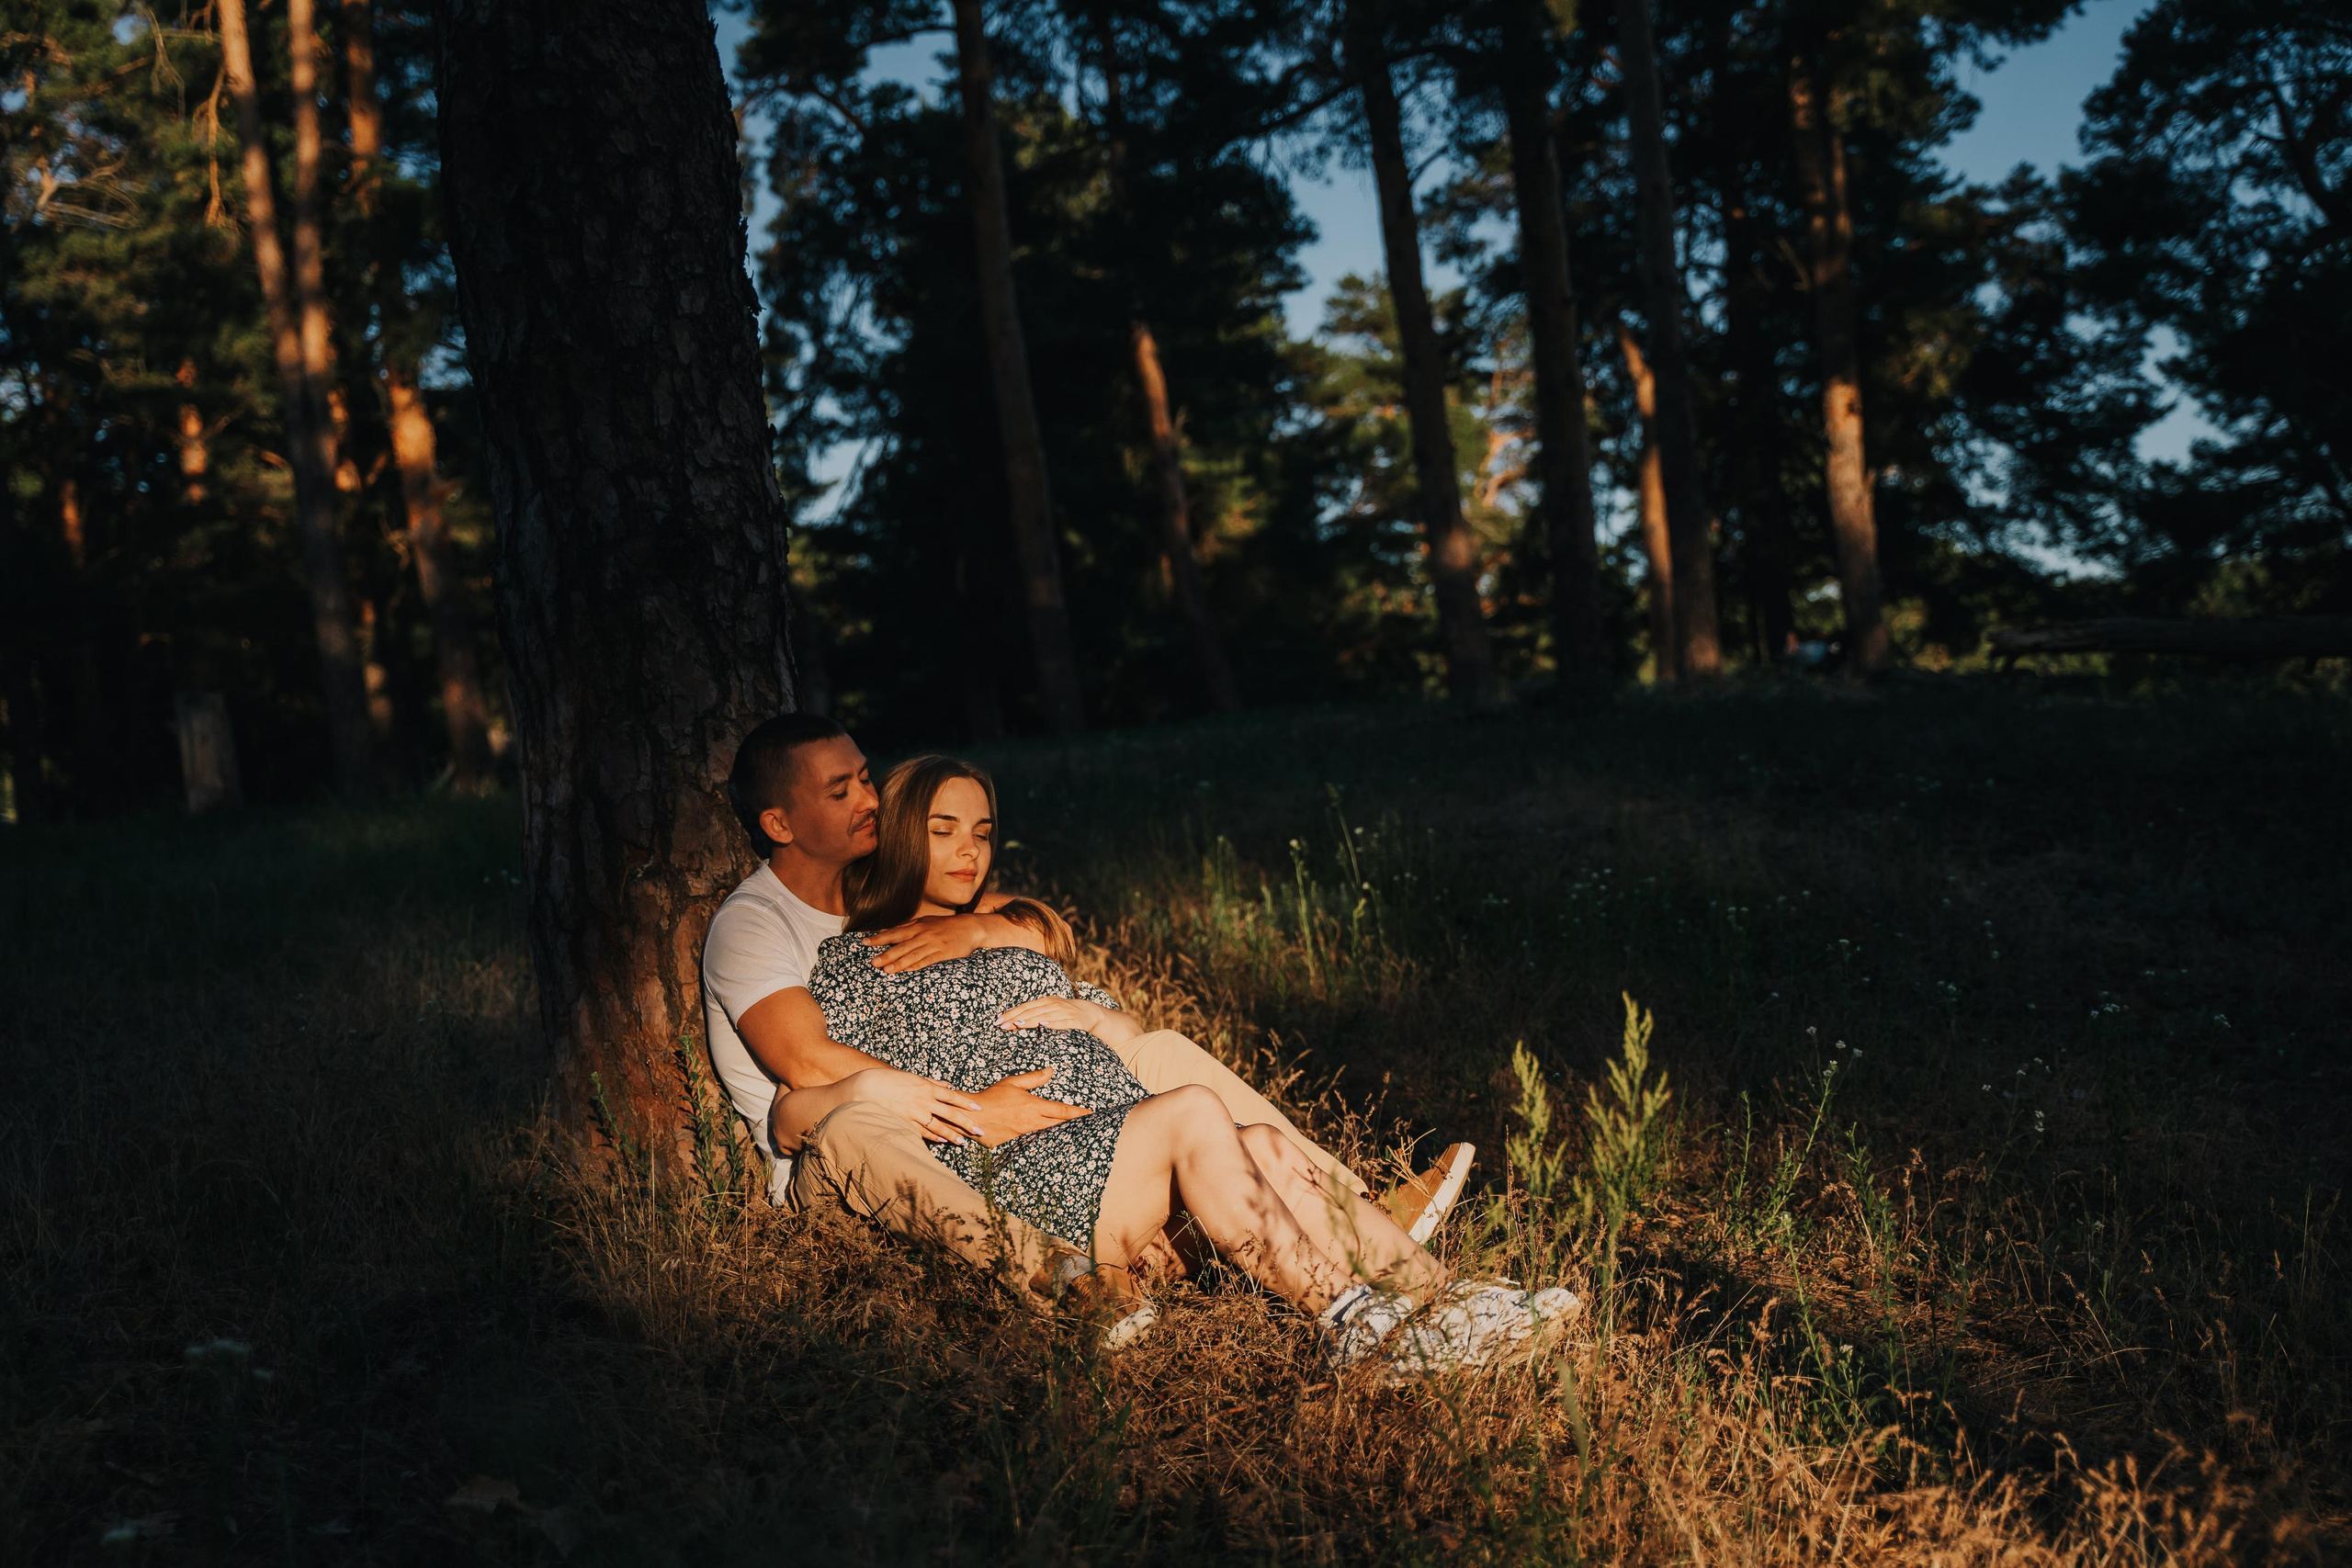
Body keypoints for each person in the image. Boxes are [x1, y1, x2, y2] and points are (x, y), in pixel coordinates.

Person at [775, 753, 1578, 1374]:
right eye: (944, 829)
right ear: (901, 832)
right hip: (1029, 1172)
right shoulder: (854, 965)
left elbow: (1117, 1024)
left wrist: (1073, 997)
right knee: (1195, 1110)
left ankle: (1446, 1303)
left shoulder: (1011, 931)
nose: (968, 850)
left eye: (983, 832)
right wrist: (973, 1109)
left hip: (1114, 1155)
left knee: (1263, 1145)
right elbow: (818, 1101)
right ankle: (1352, 1324)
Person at [699, 717, 1475, 1315]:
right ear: (781, 823)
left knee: (1166, 1056)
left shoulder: (888, 890)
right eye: (841, 792)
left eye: (868, 781)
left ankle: (1384, 1243)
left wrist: (984, 930)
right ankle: (1073, 1279)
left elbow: (1014, 911)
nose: (868, 801)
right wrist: (979, 1110)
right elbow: (805, 1074)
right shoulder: (766, 926)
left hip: (1062, 1139)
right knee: (1182, 1113)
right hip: (866, 1149)